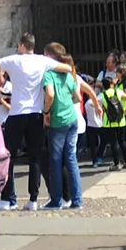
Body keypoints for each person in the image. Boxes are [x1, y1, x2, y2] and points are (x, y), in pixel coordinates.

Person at [0, 34, 74, 211]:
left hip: (17, 113)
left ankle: (8, 199)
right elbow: (66, 67)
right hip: (35, 114)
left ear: (21, 45)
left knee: (8, 157)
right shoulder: (42, 61)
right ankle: (33, 200)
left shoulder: (15, 60)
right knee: (34, 157)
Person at [40, 46, 83, 210]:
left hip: (58, 122)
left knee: (56, 161)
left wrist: (46, 111)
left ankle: (56, 200)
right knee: (71, 159)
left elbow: (50, 94)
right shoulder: (68, 75)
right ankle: (77, 200)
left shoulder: (49, 74)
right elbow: (78, 97)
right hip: (72, 119)